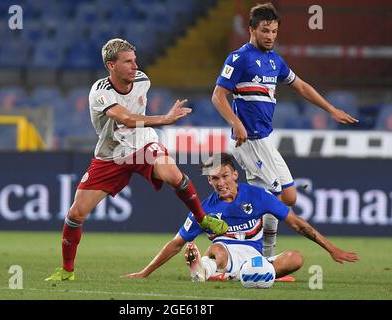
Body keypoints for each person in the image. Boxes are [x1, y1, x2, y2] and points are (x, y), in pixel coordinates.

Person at [45, 39, 228, 281]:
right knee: (76, 214)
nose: (135, 65)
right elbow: (126, 119)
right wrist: (165, 118)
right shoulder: (100, 93)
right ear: (111, 65)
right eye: (128, 61)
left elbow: (135, 123)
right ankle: (67, 271)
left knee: (174, 176)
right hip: (111, 154)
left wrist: (156, 126)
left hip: (143, 144)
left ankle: (203, 219)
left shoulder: (142, 80)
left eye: (135, 59)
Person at [211, 3, 359, 258]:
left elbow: (301, 86)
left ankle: (248, 242)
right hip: (250, 141)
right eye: (266, 31)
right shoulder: (239, 58)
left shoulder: (274, 61)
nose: (270, 36)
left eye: (274, 32)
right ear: (252, 29)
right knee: (274, 200)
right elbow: (217, 96)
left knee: (287, 197)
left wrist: (331, 109)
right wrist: (236, 122)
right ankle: (264, 255)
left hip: (265, 140)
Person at [121, 153, 358, 283]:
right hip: (226, 254)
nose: (220, 183)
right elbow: (176, 244)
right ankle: (209, 269)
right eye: (214, 179)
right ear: (209, 181)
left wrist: (331, 249)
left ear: (235, 174)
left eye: (224, 176)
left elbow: (297, 224)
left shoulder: (257, 196)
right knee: (217, 249)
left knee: (296, 258)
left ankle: (223, 274)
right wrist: (145, 272)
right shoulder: (203, 209)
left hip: (254, 259)